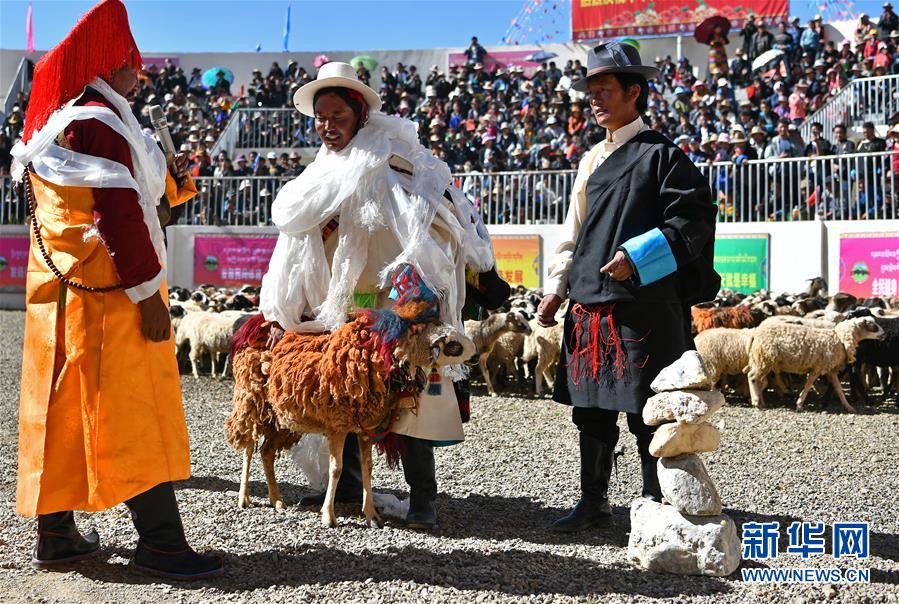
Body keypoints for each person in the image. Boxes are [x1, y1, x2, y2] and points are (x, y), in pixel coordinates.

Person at [10, 0, 222, 579]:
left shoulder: (64, 119)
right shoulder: (100, 122)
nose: (140, 73)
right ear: (109, 63)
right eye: (132, 61)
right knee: (132, 410)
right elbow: (117, 213)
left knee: (59, 411)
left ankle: (56, 535)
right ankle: (163, 544)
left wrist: (172, 189)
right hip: (110, 296)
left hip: (62, 295)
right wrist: (149, 294)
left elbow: (112, 199)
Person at [258, 62, 508, 530]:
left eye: (337, 116)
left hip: (399, 301)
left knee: (412, 397)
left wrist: (470, 271)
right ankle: (348, 485)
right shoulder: (317, 175)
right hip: (341, 305)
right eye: (320, 117)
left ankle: (423, 498)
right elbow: (295, 244)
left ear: (359, 114)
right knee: (345, 390)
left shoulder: (395, 160)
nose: (327, 126)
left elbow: (445, 209)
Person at [537, 42, 718, 533]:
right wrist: (556, 287)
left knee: (647, 410)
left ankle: (656, 502)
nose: (594, 99)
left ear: (634, 92)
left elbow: (693, 220)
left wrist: (637, 257)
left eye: (604, 90)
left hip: (644, 306)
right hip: (589, 305)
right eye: (590, 91)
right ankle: (593, 502)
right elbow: (574, 231)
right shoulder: (590, 159)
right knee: (590, 409)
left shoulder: (664, 157)